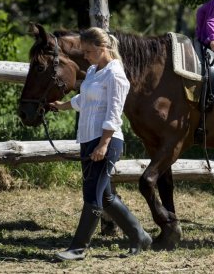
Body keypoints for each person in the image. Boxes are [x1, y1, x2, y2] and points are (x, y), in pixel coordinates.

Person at [50, 27, 152, 261]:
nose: (85, 57)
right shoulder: (96, 70)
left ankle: (78, 248)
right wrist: (61, 105)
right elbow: (84, 98)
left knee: (92, 195)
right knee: (105, 197)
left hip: (106, 141)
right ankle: (140, 236)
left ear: (102, 48)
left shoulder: (116, 74)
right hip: (88, 139)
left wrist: (104, 144)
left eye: (88, 51)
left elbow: (115, 112)